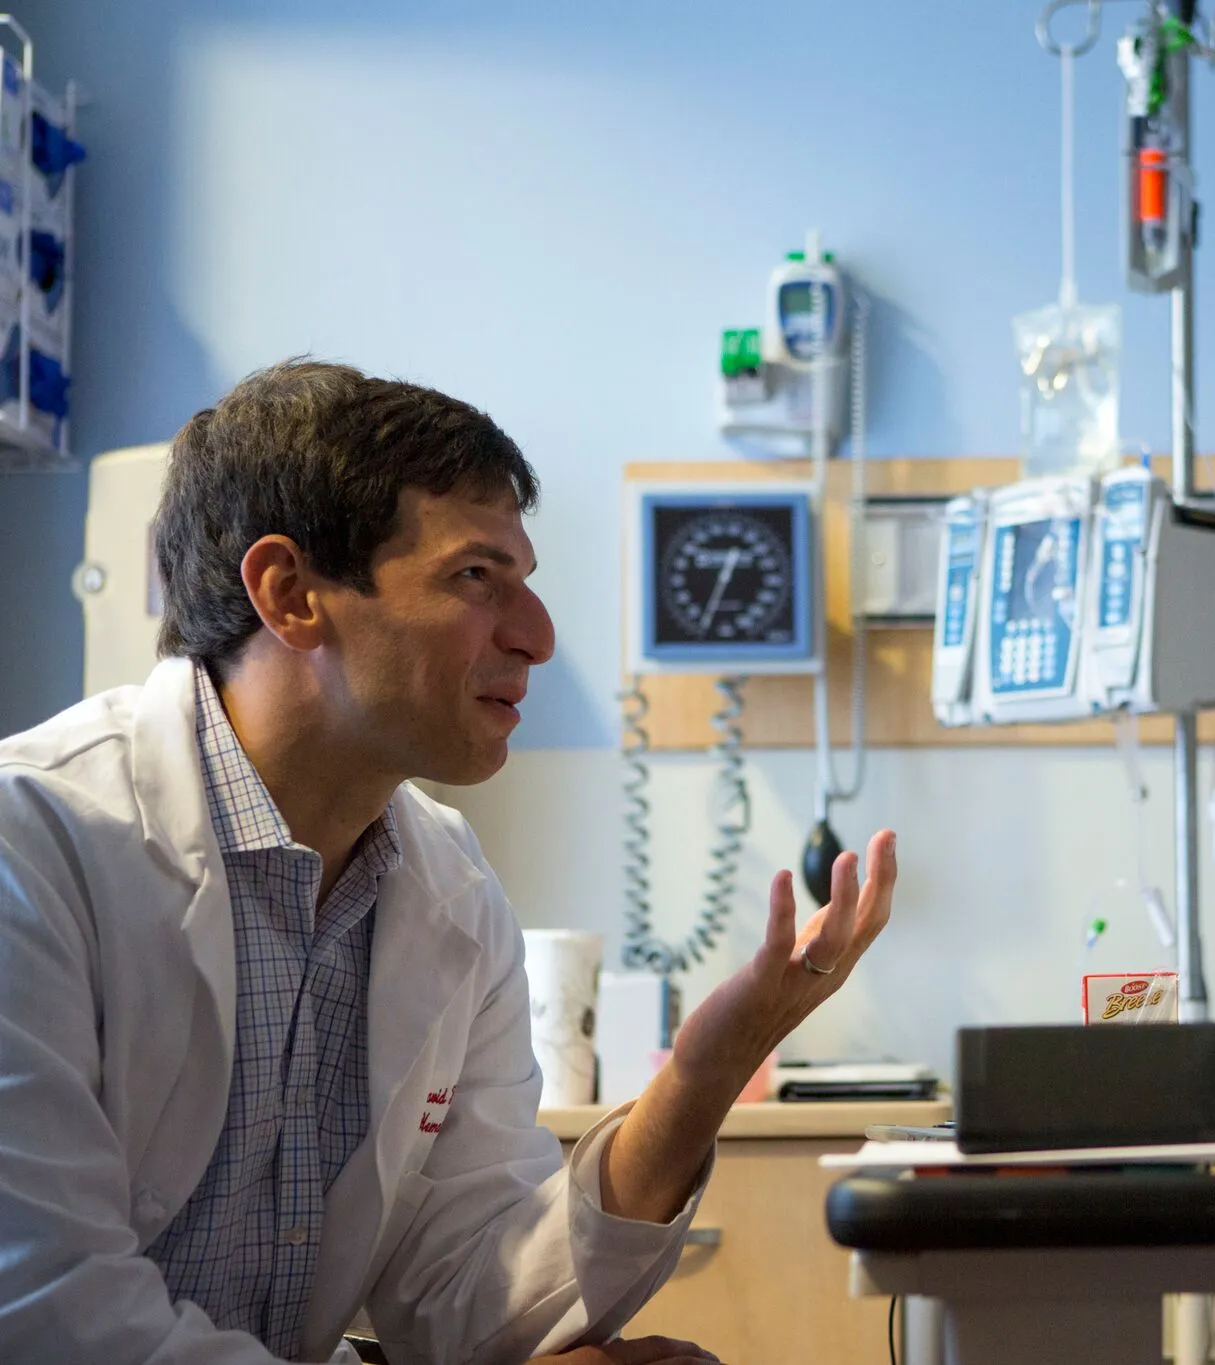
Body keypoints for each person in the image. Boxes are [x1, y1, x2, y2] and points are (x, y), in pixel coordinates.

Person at [0, 360, 898, 1365]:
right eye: (476, 577)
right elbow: (48, 1315)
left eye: (526, 583)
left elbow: (468, 1296)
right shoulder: (30, 844)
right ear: (291, 595)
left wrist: (703, 1073)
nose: (540, 637)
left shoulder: (445, 886)